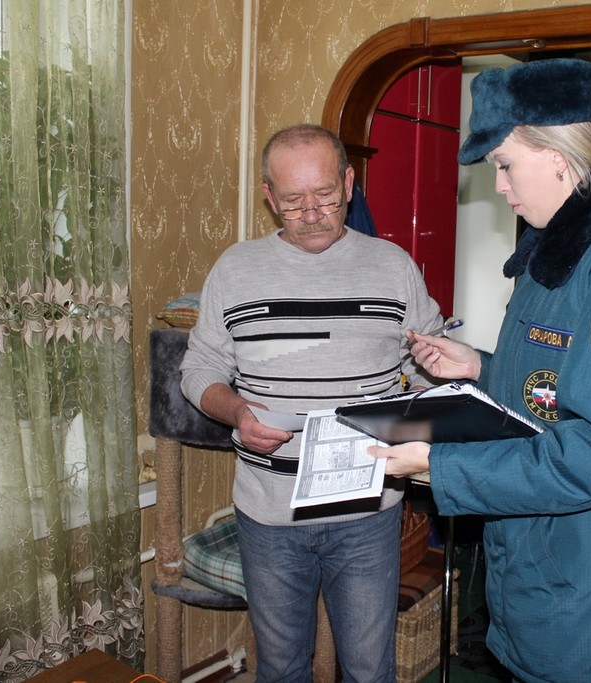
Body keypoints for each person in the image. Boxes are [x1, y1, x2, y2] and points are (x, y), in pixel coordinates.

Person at [370, 58, 591, 683]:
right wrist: (481, 367)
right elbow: (556, 387)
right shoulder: (561, 249)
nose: (499, 187)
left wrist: (439, 465)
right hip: (538, 553)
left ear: (557, 156)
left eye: (504, 164)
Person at [179, 123, 442, 682]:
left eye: (325, 195)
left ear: (348, 183)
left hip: (368, 511)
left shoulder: (393, 266)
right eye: (294, 201)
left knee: (369, 670)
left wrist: (427, 395)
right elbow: (198, 369)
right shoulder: (235, 269)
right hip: (268, 512)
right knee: (280, 669)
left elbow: (429, 367)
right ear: (269, 198)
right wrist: (238, 413)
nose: (313, 213)